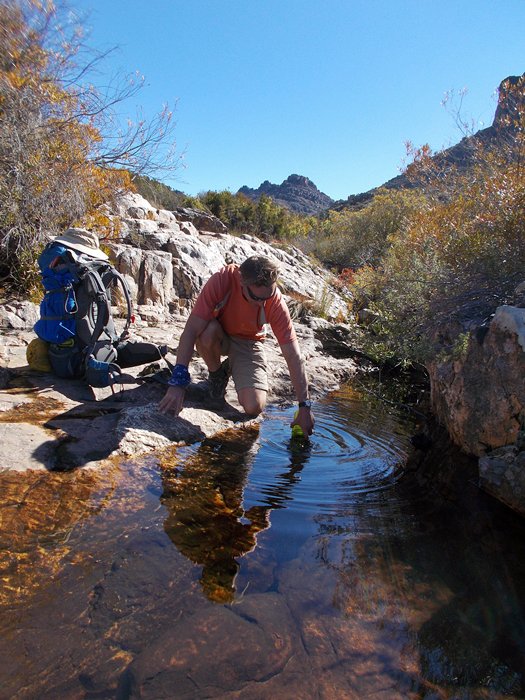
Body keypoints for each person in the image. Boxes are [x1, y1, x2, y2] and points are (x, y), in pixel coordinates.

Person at [159, 255, 314, 436]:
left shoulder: (274, 301)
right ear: (242, 281)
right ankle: (217, 378)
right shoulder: (222, 280)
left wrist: (304, 406)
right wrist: (178, 383)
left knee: (253, 407)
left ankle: (233, 367)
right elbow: (191, 331)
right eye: (256, 297)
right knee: (206, 332)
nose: (262, 303)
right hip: (218, 334)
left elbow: (293, 355)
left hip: (249, 342)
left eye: (268, 296)